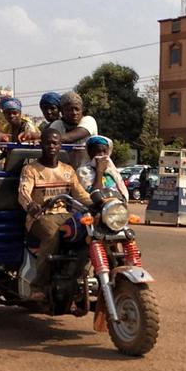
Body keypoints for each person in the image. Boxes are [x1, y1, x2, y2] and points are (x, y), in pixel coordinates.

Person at [18, 128, 91, 294]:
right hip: (40, 218)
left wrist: (100, 203)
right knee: (52, 235)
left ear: (60, 146)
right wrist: (30, 205)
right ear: (41, 144)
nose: (51, 146)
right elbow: (23, 193)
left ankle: (75, 276)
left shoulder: (68, 170)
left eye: (55, 143)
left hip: (66, 216)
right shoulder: (31, 170)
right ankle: (38, 286)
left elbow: (81, 194)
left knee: (90, 234)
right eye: (48, 142)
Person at [49, 91, 98, 167]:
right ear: (62, 111)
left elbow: (71, 137)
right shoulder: (57, 124)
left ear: (82, 109)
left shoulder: (89, 121)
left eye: (77, 109)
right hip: (63, 172)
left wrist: (43, 138)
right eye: (69, 110)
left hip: (87, 170)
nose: (74, 113)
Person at [77, 135, 130, 200]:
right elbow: (94, 198)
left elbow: (123, 193)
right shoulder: (83, 172)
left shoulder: (112, 172)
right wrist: (99, 171)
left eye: (105, 152)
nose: (102, 155)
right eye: (98, 151)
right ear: (90, 153)